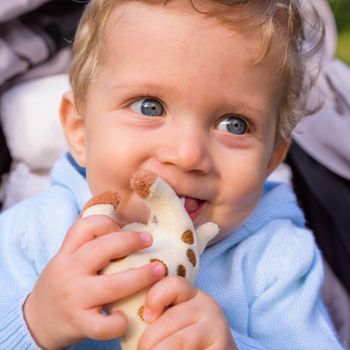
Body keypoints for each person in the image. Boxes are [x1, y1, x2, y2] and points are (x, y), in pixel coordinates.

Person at [0, 0, 345, 349]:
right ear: (79, 130)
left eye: (234, 124)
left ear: (271, 159)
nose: (188, 155)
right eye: (150, 106)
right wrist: (34, 323)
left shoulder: (275, 259)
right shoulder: (31, 233)